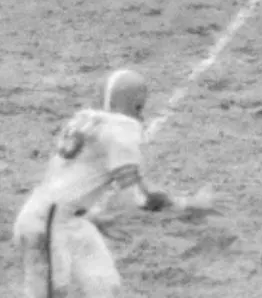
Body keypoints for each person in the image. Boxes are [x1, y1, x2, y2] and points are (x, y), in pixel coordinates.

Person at [12, 69, 180, 298]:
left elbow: (69, 180)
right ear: (137, 104)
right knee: (51, 293)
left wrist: (92, 214)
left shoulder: (83, 120)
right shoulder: (121, 127)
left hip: (66, 217)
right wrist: (181, 204)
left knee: (104, 285)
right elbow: (136, 197)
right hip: (48, 221)